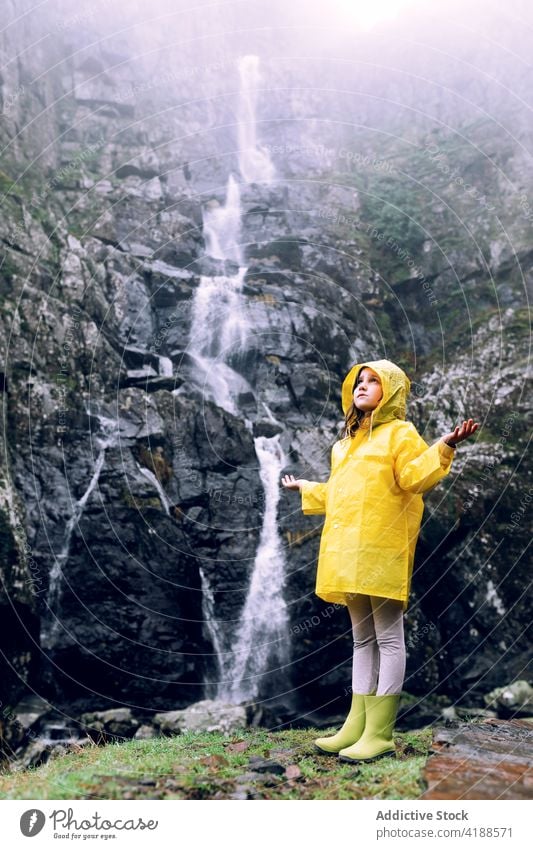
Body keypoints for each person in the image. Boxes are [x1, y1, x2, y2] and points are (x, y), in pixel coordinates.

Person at [281, 359, 479, 763]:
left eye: (374, 381)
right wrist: (308, 487)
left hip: (381, 551)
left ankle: (381, 732)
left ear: (391, 392)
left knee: (389, 637)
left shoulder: (400, 434)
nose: (363, 385)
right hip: (347, 553)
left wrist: (445, 446)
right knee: (362, 639)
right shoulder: (344, 446)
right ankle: (356, 725)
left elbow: (414, 477)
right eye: (359, 380)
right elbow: (340, 493)